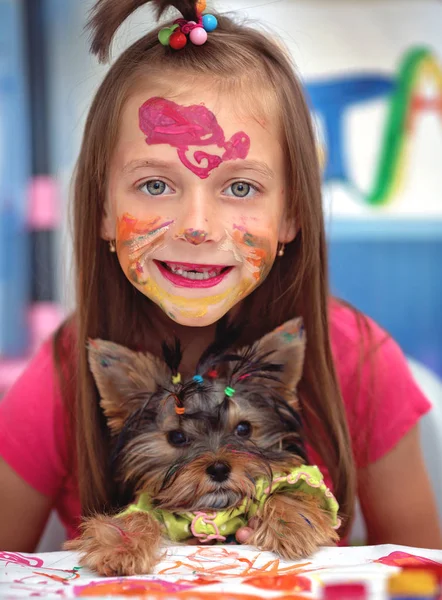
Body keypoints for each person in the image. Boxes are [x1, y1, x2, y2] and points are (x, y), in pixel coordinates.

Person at [0, 0, 440, 553]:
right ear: (103, 211)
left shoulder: (357, 360)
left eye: (240, 188)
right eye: (156, 185)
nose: (199, 226)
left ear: (292, 215)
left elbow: (418, 573)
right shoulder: (63, 377)